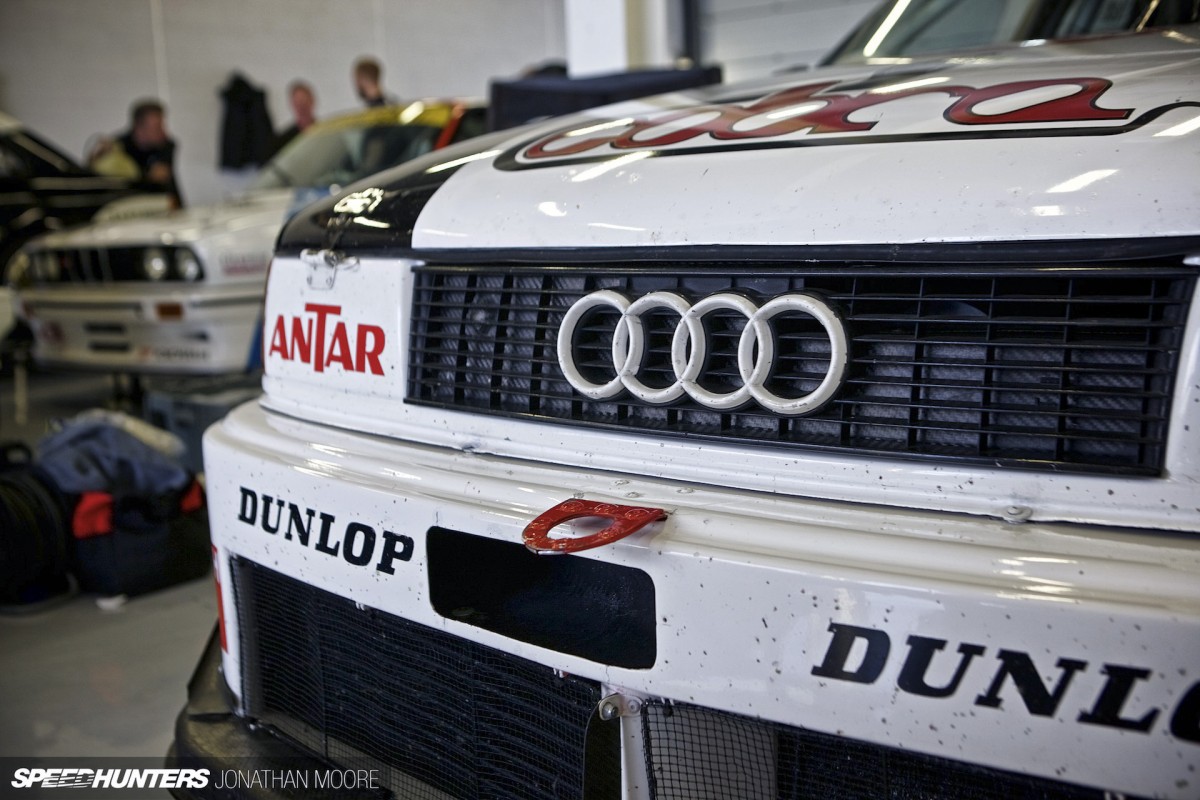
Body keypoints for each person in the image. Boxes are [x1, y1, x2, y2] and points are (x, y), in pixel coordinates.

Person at [89, 99, 183, 208]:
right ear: (139, 127)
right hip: (131, 209)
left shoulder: (166, 145)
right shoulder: (117, 146)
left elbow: (161, 178)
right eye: (157, 127)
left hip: (164, 206)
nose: (163, 132)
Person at [272, 80, 317, 155]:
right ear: (292, 105)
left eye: (304, 101)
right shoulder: (283, 141)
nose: (301, 107)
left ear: (312, 100)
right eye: (297, 103)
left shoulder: (327, 131)